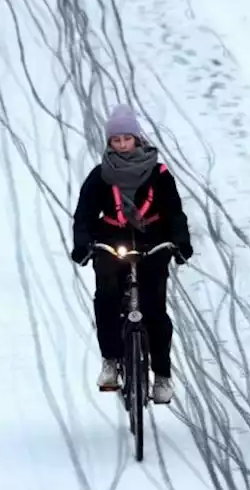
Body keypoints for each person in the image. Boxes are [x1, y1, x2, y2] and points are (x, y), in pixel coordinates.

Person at [70, 104, 192, 404]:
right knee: (107, 297)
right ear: (109, 143)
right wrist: (83, 244)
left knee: (155, 310)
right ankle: (111, 361)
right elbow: (84, 215)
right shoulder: (100, 176)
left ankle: (161, 376)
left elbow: (174, 213)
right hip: (112, 243)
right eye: (116, 140)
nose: (122, 144)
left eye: (127, 138)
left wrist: (179, 242)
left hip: (153, 243)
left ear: (137, 139)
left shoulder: (160, 175)